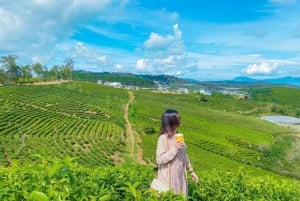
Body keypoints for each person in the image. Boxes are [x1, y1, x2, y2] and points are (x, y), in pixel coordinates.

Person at [156, 109, 198, 196]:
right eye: (179, 118)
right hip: (169, 179)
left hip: (181, 177)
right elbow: (159, 160)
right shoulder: (163, 138)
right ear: (172, 121)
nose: (181, 120)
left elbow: (184, 155)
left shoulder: (179, 136)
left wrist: (191, 171)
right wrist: (174, 149)